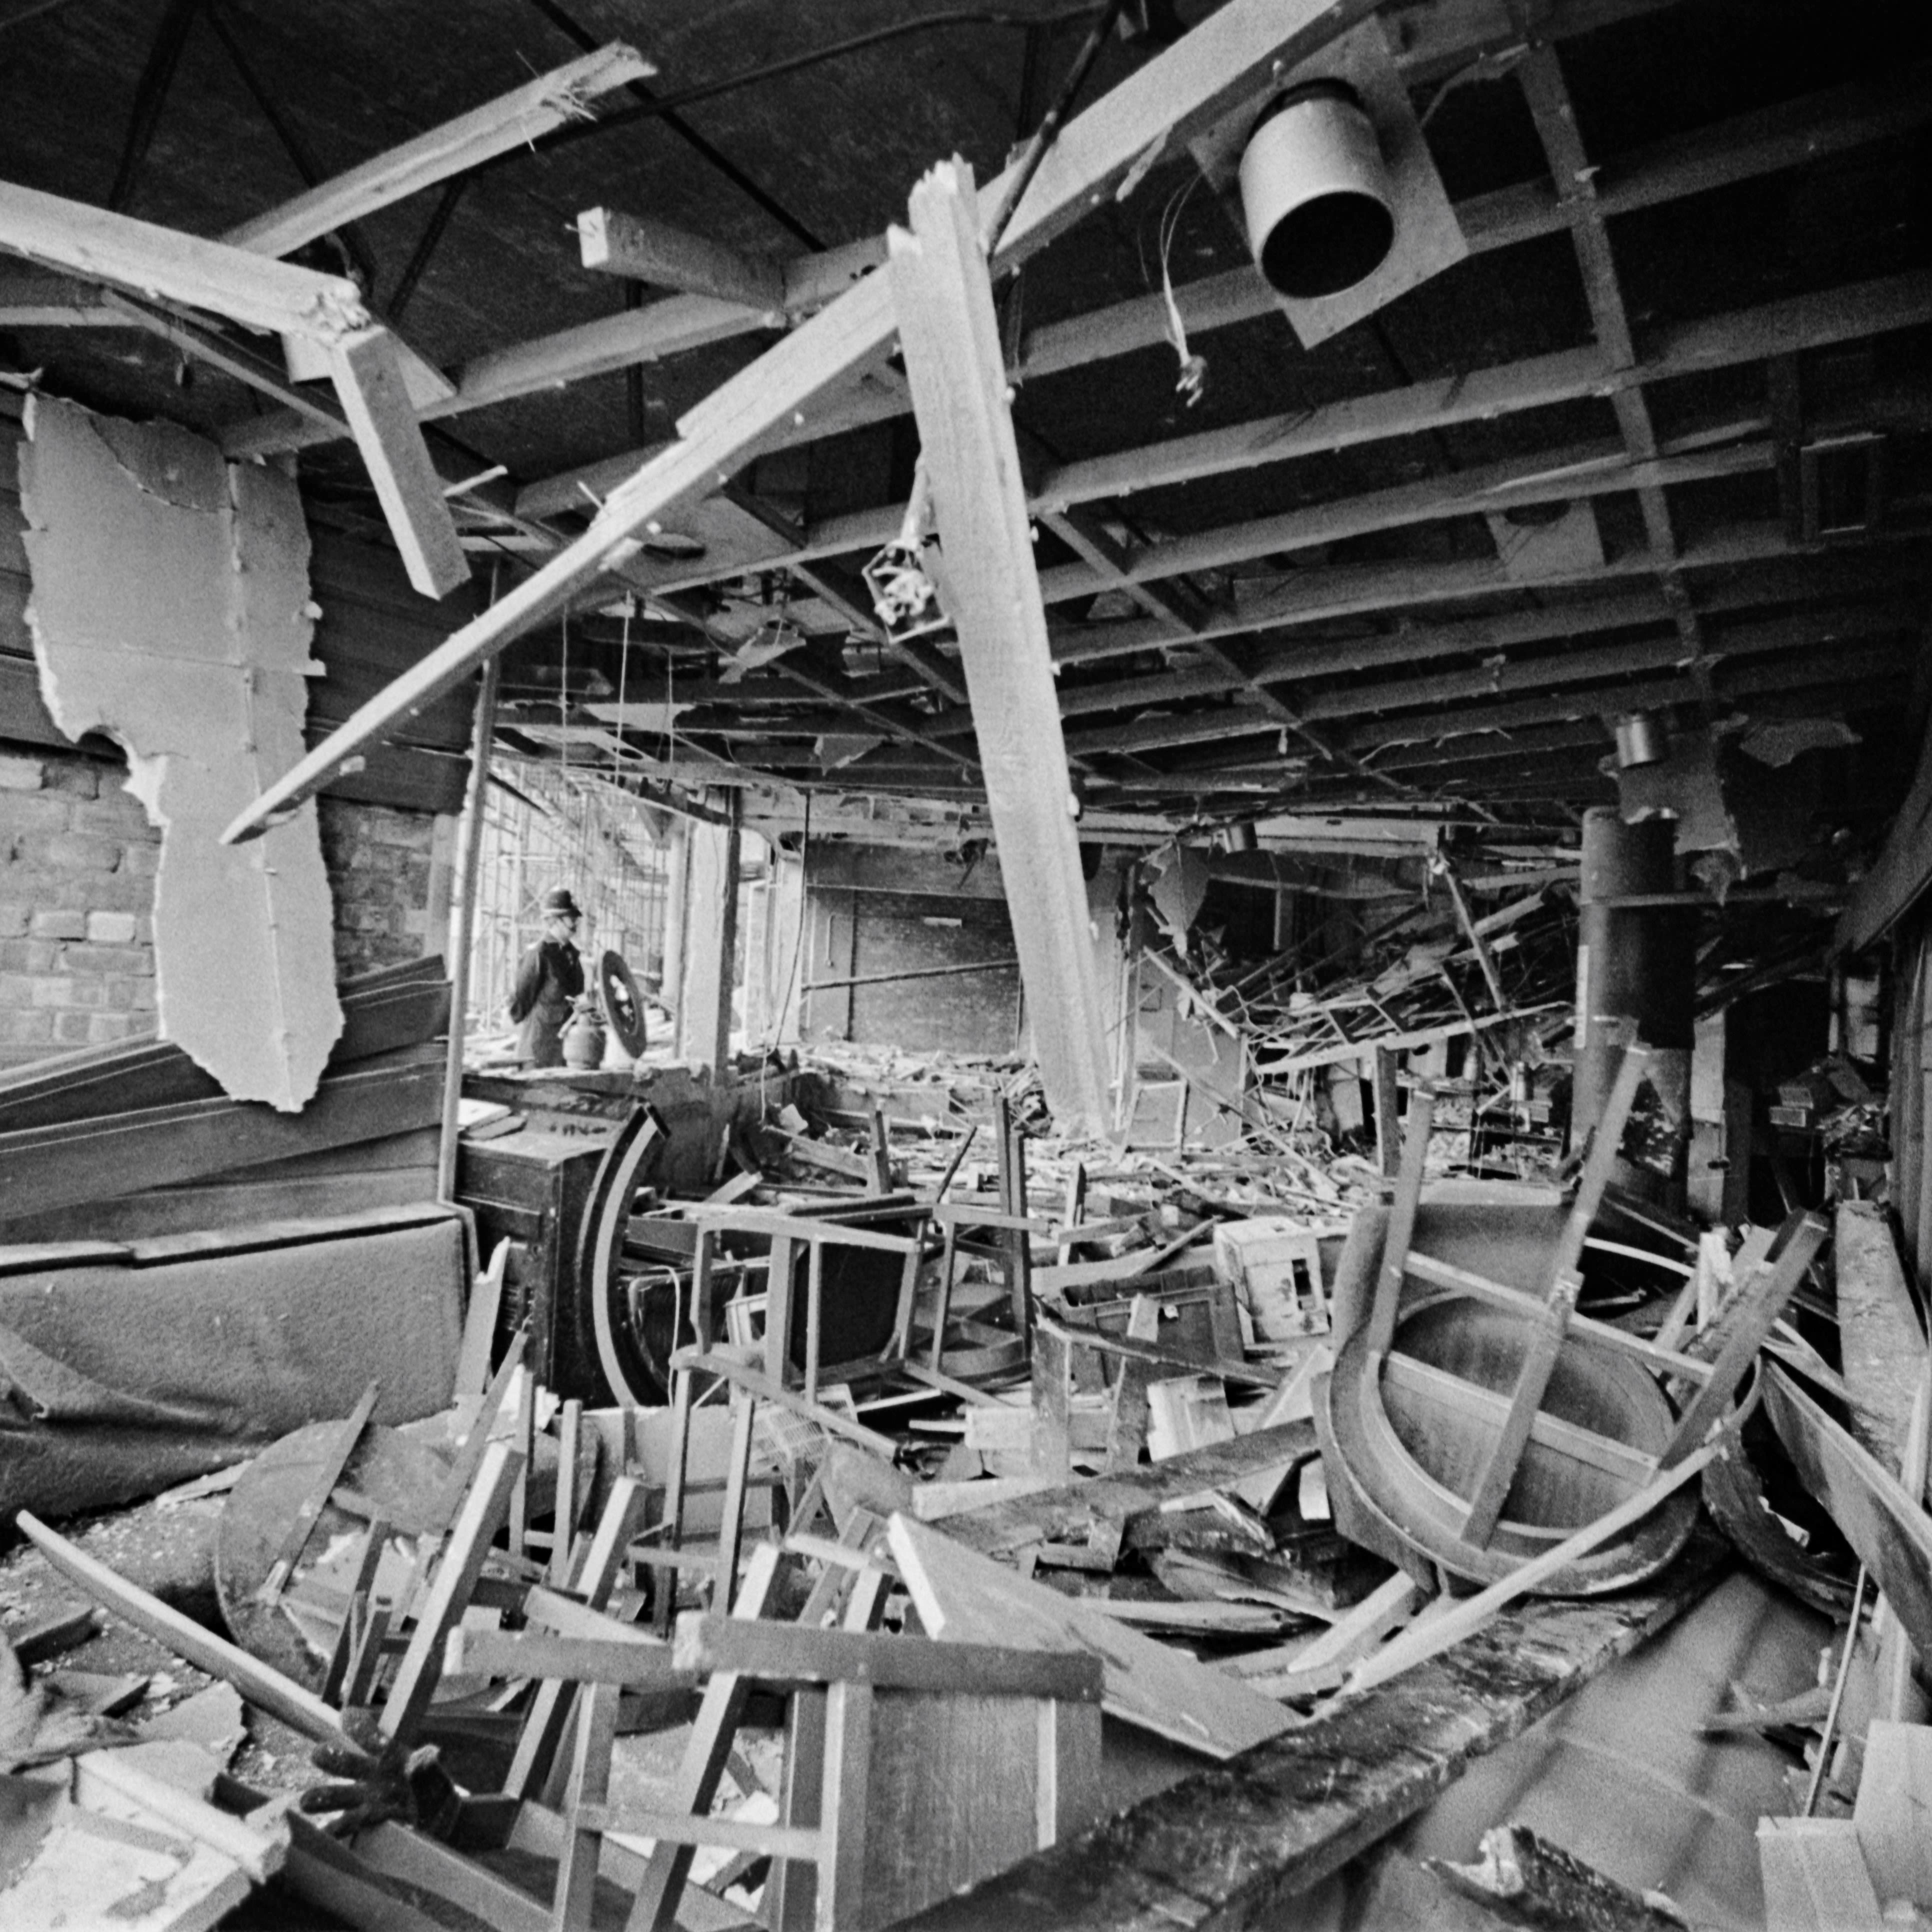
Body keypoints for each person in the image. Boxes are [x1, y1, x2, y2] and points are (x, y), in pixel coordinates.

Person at [508, 886, 586, 1066]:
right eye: (571, 918)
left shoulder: (573, 956)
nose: (575, 922)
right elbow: (521, 1000)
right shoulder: (539, 954)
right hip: (538, 1050)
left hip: (565, 1049)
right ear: (555, 920)